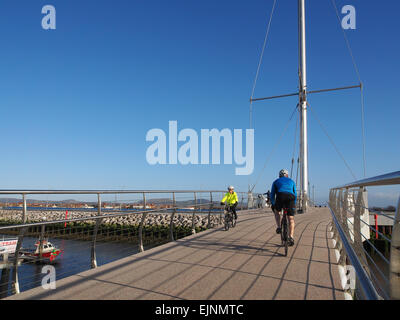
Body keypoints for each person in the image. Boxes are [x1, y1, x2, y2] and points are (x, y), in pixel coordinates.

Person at [270, 169, 297, 246]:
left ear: (279, 176)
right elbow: (295, 193)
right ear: (287, 175)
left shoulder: (276, 181)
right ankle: (291, 237)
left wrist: (273, 204)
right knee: (291, 218)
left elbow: (272, 195)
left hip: (281, 196)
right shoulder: (292, 181)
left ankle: (279, 227)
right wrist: (293, 205)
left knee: (276, 211)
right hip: (290, 197)